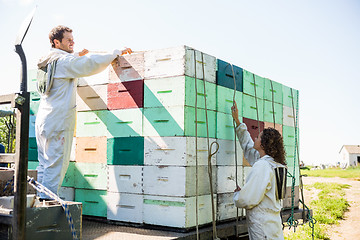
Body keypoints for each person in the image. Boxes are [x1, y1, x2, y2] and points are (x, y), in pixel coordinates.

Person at [35, 25, 132, 200]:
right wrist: (115, 52)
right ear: (56, 42)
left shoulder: (48, 61)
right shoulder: (64, 62)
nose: (73, 42)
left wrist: (74, 54)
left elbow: (66, 63)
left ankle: (39, 202)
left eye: (73, 38)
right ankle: (46, 205)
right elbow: (90, 64)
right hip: (57, 121)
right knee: (56, 164)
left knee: (45, 165)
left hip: (44, 120)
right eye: (68, 40)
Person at [231, 101, 287, 240]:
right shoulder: (275, 164)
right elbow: (249, 148)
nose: (255, 137)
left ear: (263, 144)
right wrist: (238, 121)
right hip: (272, 226)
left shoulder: (263, 166)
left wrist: (238, 195)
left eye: (258, 136)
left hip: (262, 229)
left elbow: (247, 199)